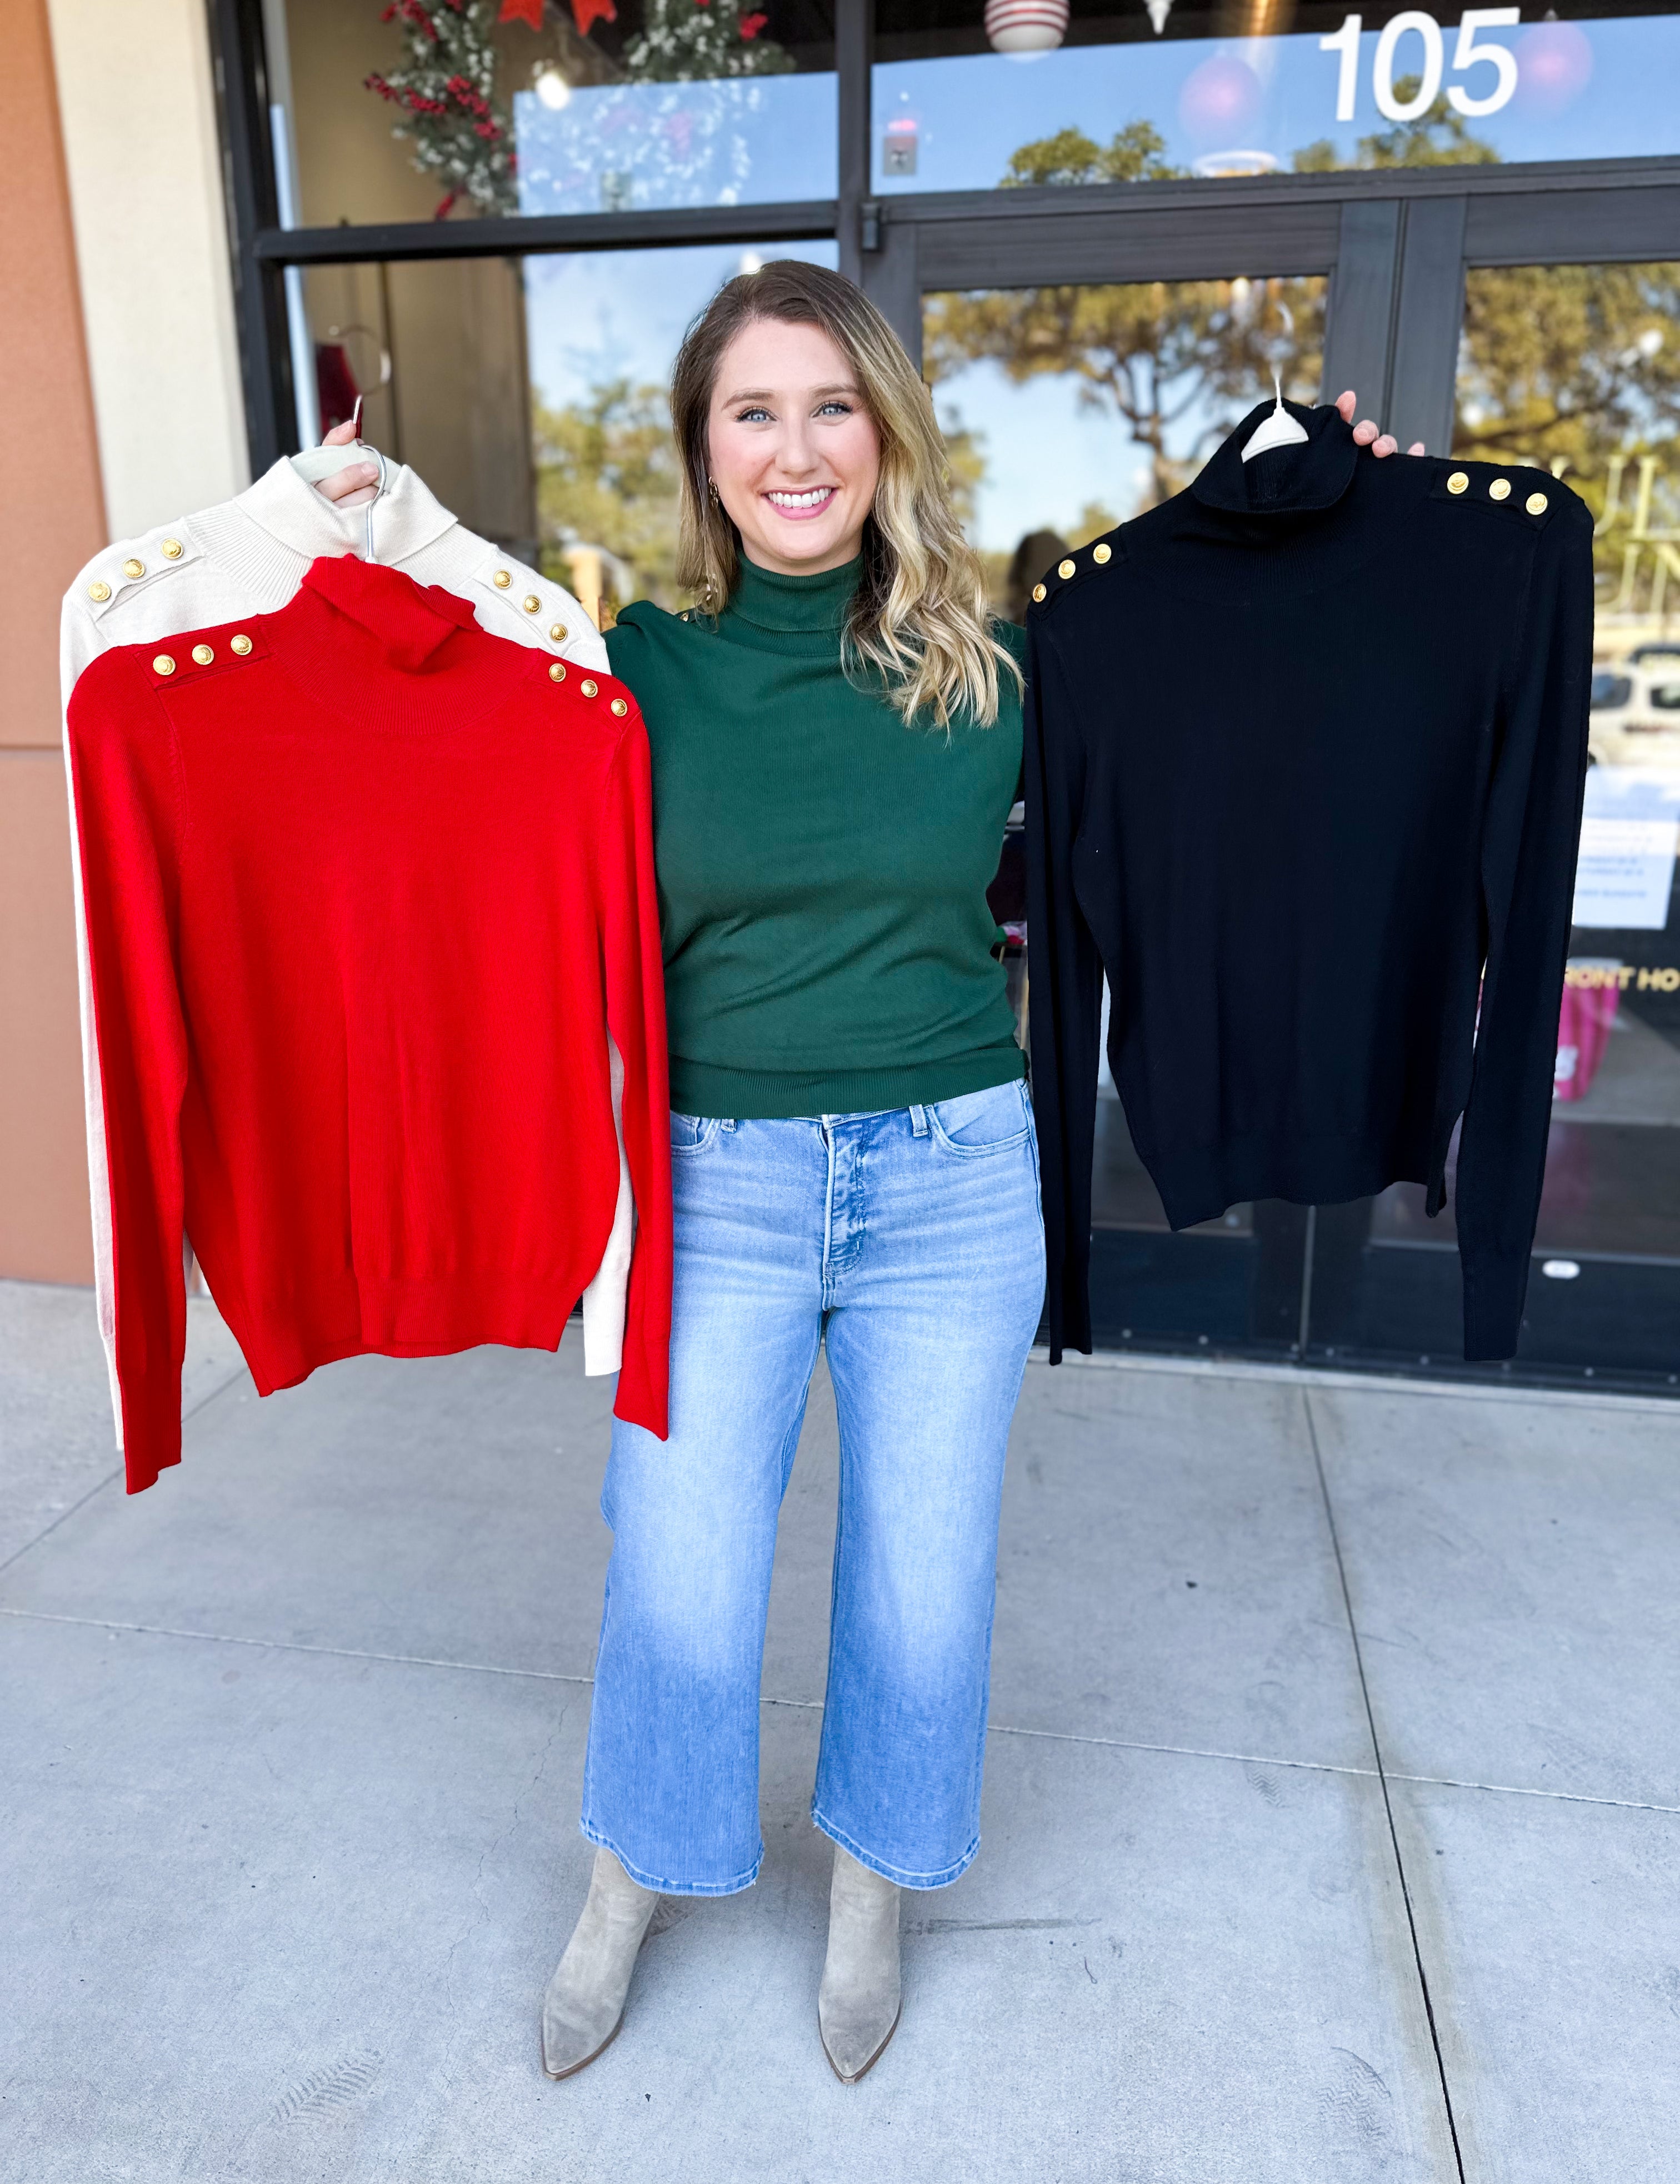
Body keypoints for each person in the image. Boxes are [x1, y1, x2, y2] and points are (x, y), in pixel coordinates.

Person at [310, 275, 1416, 2083]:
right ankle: (628, 1876)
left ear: (887, 430)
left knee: (922, 1581)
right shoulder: (629, 672)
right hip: (713, 1184)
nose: (797, 448)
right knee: (679, 1570)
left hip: (950, 1182)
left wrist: (1341, 507)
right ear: (703, 451)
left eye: (832, 405)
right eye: (752, 411)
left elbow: (1243, 655)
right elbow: (412, 708)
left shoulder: (998, 669)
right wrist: (353, 529)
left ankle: (874, 1886)